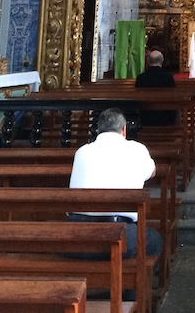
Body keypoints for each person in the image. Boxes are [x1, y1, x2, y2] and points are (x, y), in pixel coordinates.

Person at [68, 106, 162, 287]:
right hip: (118, 235)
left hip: (78, 237)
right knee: (154, 241)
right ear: (124, 129)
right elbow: (153, 172)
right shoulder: (136, 149)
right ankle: (130, 296)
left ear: (98, 129)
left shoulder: (81, 151)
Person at [135, 50, 178, 125]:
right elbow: (173, 96)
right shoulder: (168, 78)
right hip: (166, 117)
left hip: (145, 117)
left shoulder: (141, 78)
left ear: (148, 61)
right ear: (162, 61)